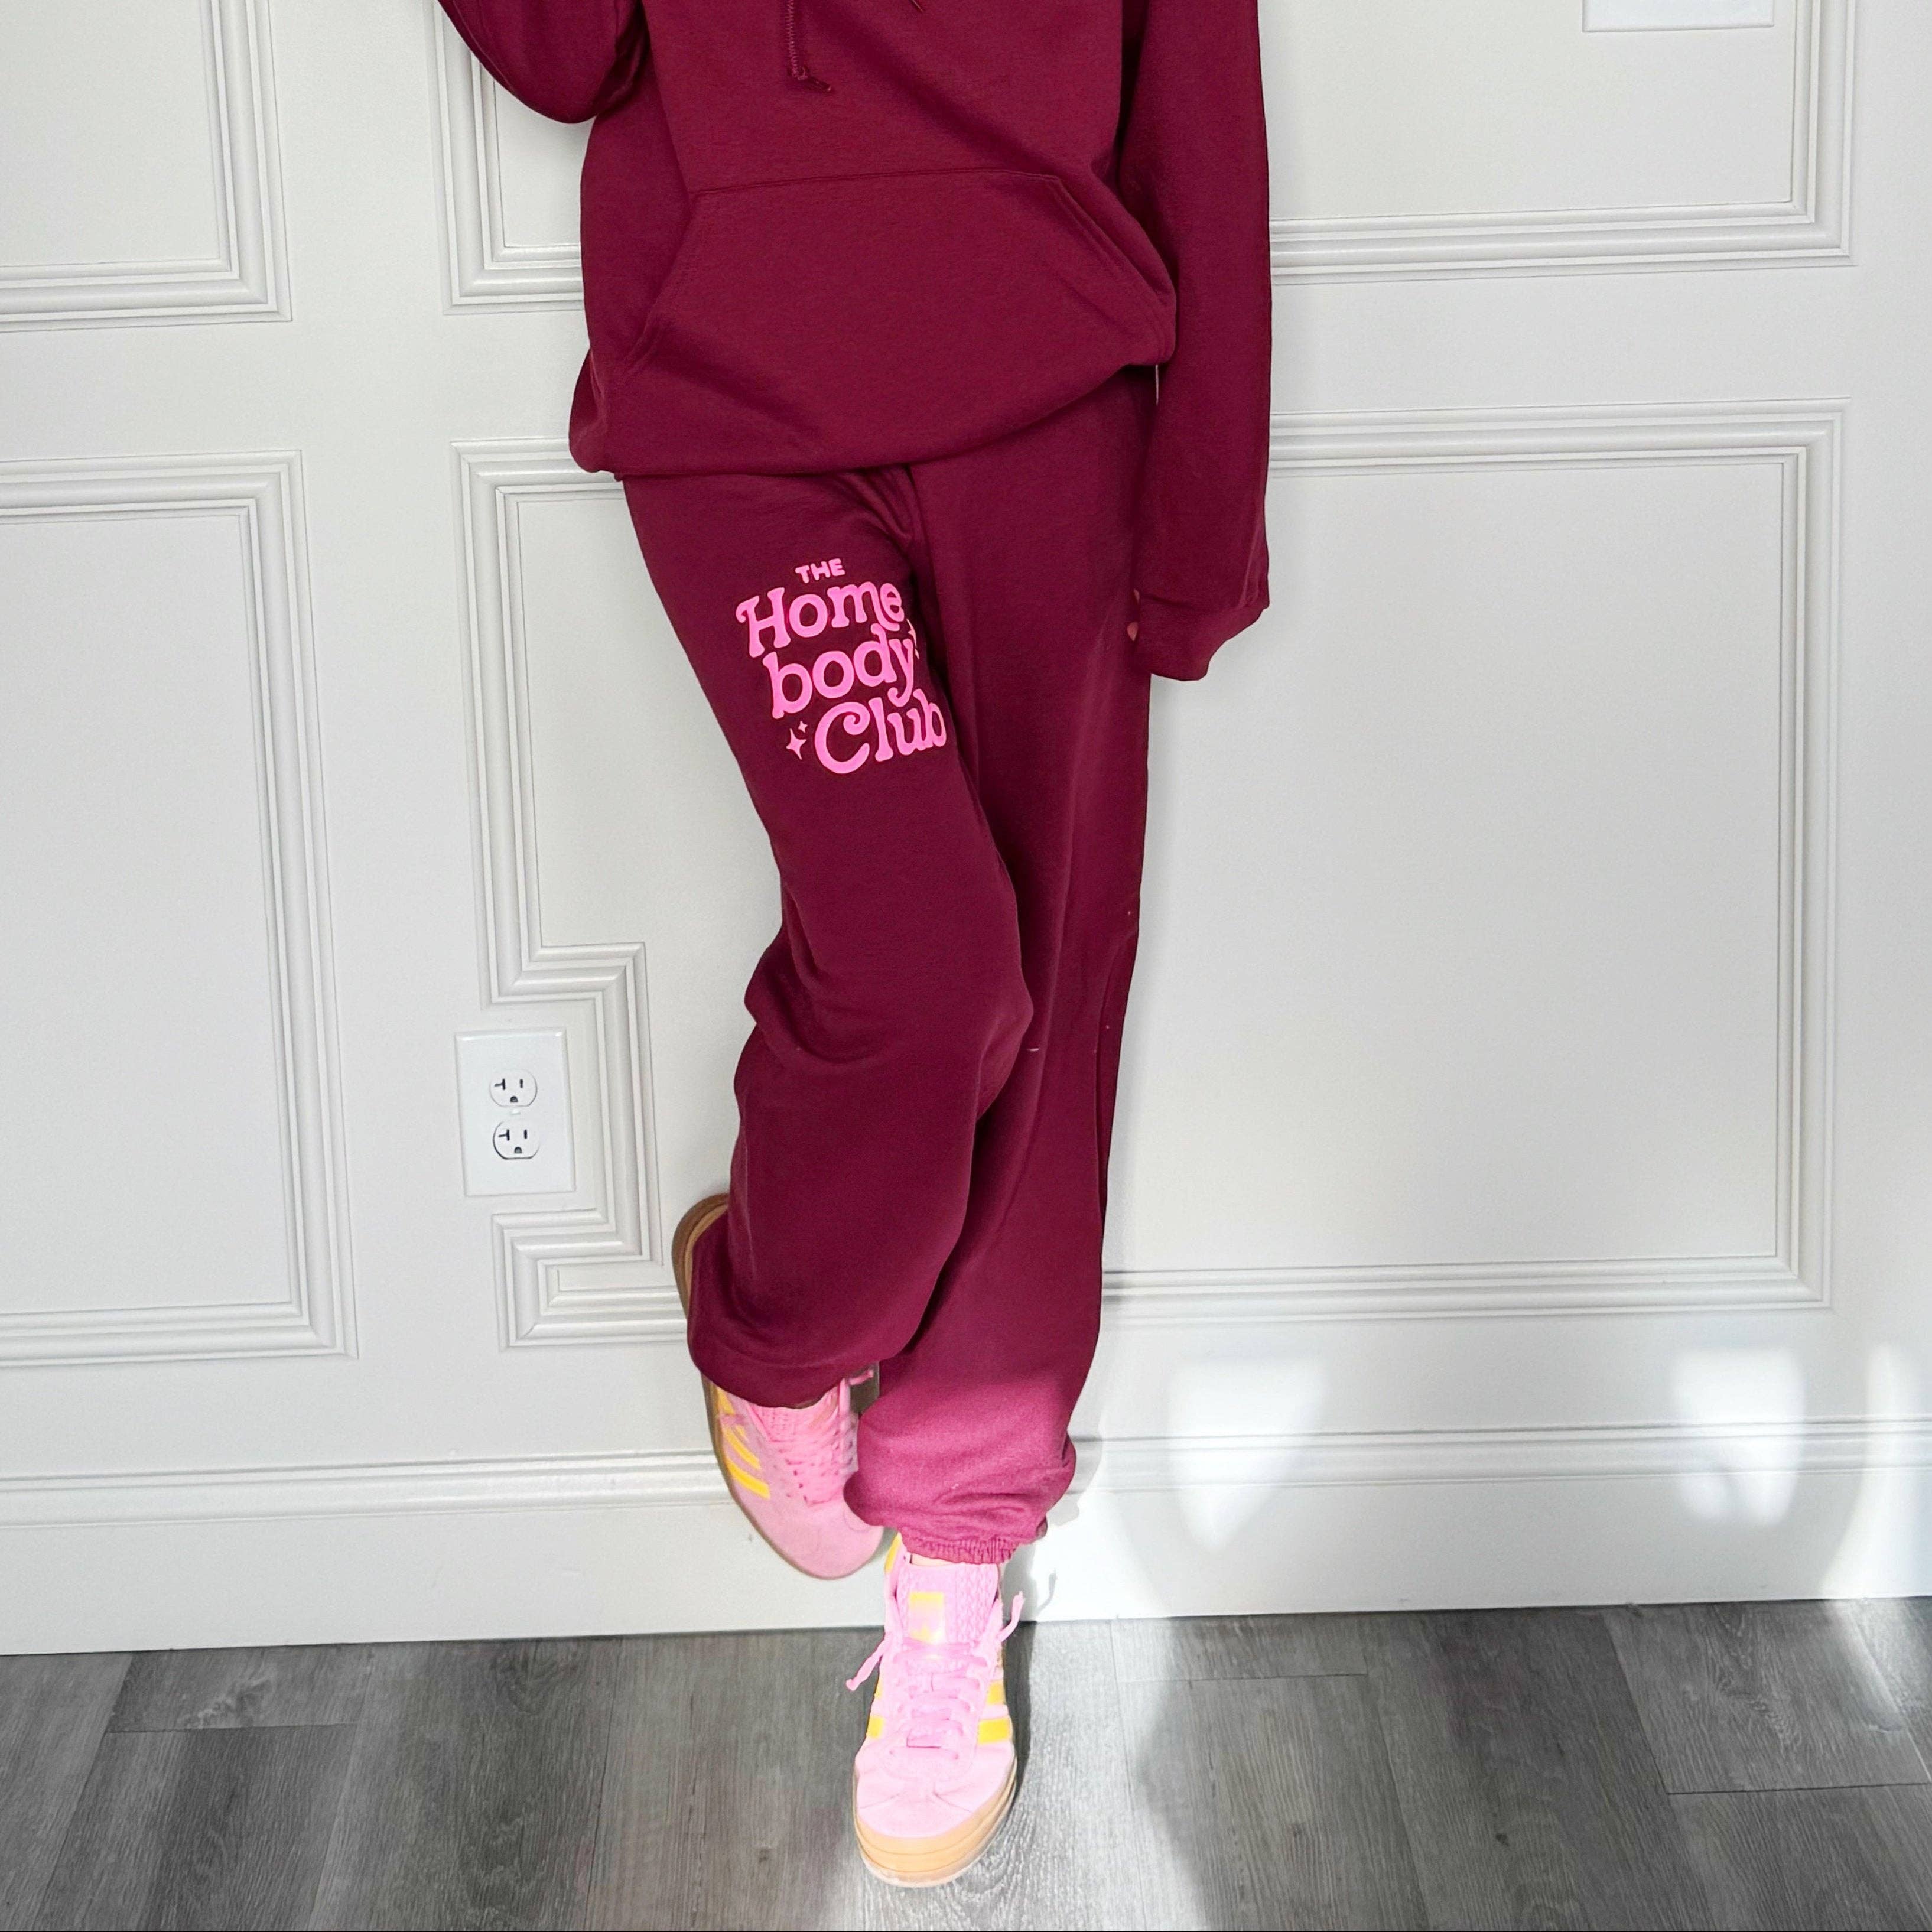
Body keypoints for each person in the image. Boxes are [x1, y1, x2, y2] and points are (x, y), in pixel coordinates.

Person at [437, 0, 1270, 1885]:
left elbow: (1201, 106)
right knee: (927, 967)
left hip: (1051, 394)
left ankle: (956, 1565)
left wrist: (1205, 514)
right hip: (741, 409)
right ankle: (779, 1329)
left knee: (1050, 977)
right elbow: (560, 55)